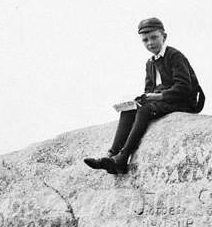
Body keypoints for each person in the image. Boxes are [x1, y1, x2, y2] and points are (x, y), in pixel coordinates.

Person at [84, 17, 205, 175]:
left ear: (164, 36)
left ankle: (123, 156)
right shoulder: (150, 63)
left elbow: (184, 87)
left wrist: (156, 97)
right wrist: (141, 98)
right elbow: (149, 88)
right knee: (129, 110)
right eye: (145, 40)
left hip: (184, 101)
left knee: (145, 111)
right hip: (164, 101)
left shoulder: (174, 56)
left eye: (154, 37)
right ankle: (111, 156)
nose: (150, 43)